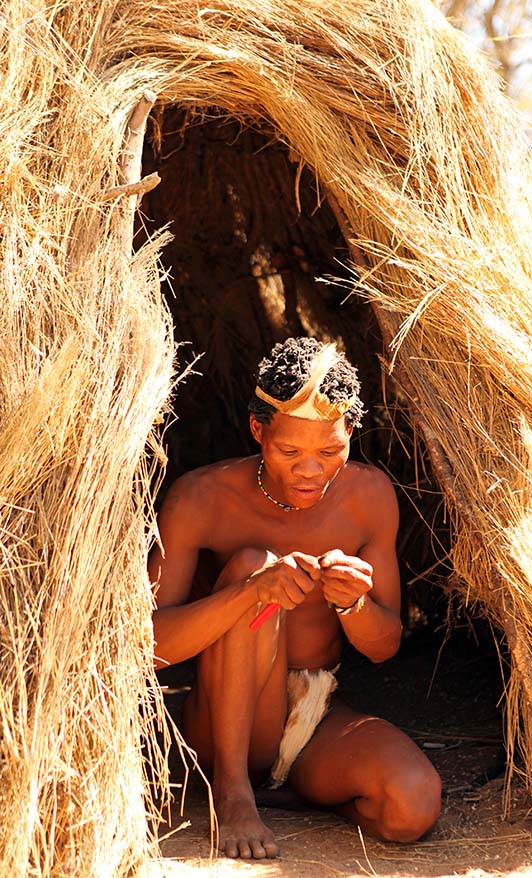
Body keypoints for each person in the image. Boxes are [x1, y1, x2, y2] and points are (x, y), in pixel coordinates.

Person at [149, 337, 442, 860]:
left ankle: (300, 791)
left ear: (350, 431)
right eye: (290, 452)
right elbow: (147, 647)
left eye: (329, 451)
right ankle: (234, 790)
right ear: (258, 431)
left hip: (315, 716)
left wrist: (353, 605)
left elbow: (384, 647)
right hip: (223, 724)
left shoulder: (369, 497)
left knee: (411, 806)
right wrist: (249, 592)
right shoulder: (202, 498)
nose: (310, 470)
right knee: (251, 565)